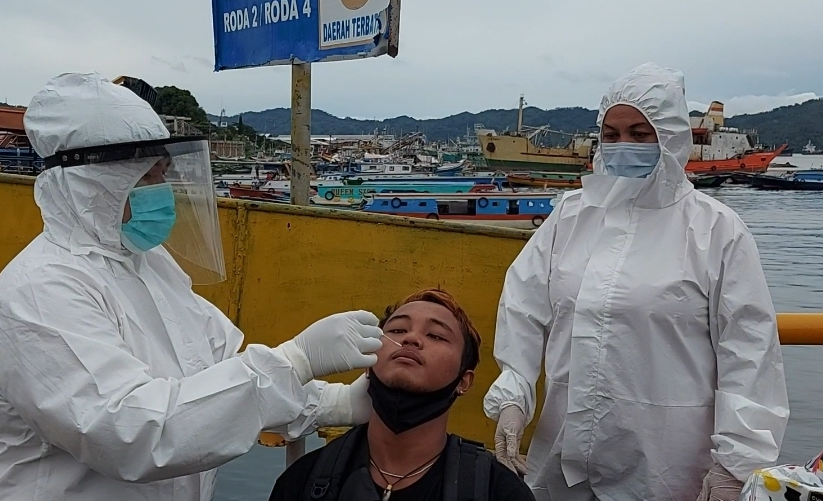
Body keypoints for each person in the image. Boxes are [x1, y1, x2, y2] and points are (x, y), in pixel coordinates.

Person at [0, 72, 384, 501]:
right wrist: (296, 359)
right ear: (92, 183)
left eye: (163, 173)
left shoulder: (145, 265)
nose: (161, 191)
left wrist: (337, 403)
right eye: (147, 176)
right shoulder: (39, 293)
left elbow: (219, 373)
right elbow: (130, 434)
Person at [484, 63, 790, 501]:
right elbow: (523, 306)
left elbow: (749, 353)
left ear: (671, 137)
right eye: (611, 134)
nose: (622, 144)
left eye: (640, 134)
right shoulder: (571, 216)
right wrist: (514, 393)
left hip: (668, 468)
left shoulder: (716, 231)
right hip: (563, 464)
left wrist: (737, 464)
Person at [269, 288, 534, 501]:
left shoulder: (497, 491)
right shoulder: (304, 481)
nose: (412, 339)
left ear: (463, 382)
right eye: (397, 331)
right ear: (369, 364)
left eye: (436, 335)